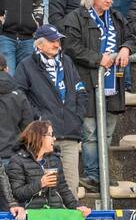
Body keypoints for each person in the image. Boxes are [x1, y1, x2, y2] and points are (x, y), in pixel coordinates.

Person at [62, 0, 134, 190]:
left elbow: (130, 37)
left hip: (113, 84)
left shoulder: (117, 17)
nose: (109, 0)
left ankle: (103, 172)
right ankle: (93, 174)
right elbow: (71, 46)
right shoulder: (76, 17)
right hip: (87, 82)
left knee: (109, 131)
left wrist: (126, 48)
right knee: (91, 132)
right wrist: (97, 58)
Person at [13, 25, 87, 191]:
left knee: (71, 187)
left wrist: (77, 117)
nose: (57, 44)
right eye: (52, 41)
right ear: (39, 45)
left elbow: (81, 91)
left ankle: (69, 218)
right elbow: (19, 97)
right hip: (42, 137)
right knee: (46, 189)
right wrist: (38, 119)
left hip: (69, 134)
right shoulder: (26, 65)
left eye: (58, 40)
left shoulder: (67, 62)